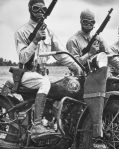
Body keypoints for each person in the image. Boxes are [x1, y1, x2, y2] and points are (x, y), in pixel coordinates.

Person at [14, 0, 80, 138]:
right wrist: (35, 41)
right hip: (26, 74)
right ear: (29, 10)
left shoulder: (49, 31)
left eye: (43, 9)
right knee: (45, 83)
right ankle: (37, 125)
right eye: (36, 8)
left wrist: (77, 67)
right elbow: (22, 58)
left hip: (42, 75)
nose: (40, 11)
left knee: (65, 87)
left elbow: (62, 54)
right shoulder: (22, 31)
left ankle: (57, 124)